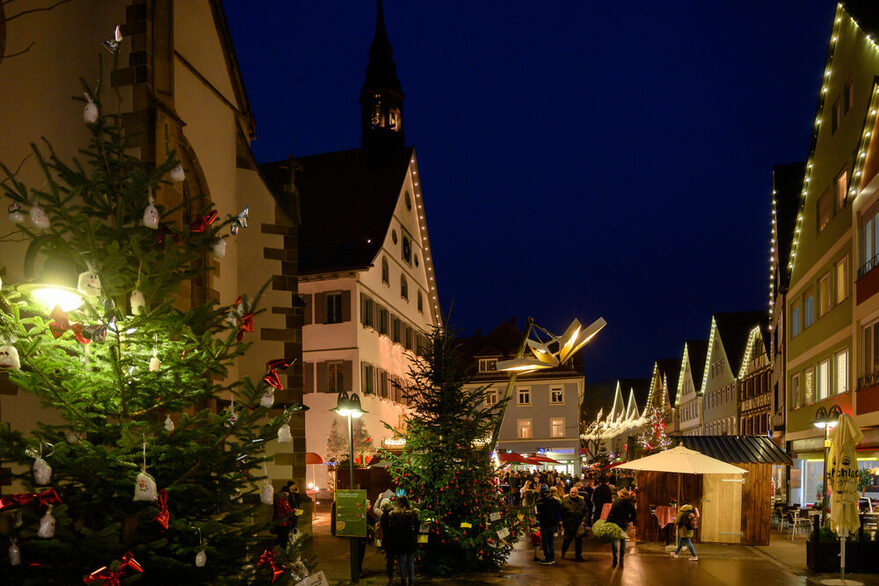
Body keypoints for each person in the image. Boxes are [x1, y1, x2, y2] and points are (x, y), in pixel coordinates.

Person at [385, 495, 419, 586]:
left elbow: (391, 528)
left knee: (401, 561)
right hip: (410, 539)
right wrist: (415, 535)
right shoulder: (413, 513)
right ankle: (411, 580)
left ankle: (403, 580)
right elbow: (416, 526)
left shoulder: (393, 514)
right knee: (411, 561)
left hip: (399, 540)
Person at [606, 488, 637, 568]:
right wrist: (628, 520)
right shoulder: (629, 503)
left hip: (615, 523)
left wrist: (607, 523)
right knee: (623, 541)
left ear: (621, 494)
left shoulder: (616, 502)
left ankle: (615, 558)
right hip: (623, 524)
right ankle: (622, 559)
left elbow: (611, 513)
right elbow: (634, 514)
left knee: (615, 541)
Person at [536, 484, 562, 565]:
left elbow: (538, 513)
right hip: (553, 524)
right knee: (551, 541)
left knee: (545, 542)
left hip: (544, 524)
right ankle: (551, 558)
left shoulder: (541, 500)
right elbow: (559, 509)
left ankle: (547, 558)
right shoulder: (554, 499)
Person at [560, 486, 587, 561]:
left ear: (577, 493)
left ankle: (578, 556)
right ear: (569, 492)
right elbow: (562, 511)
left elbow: (586, 512)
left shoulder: (582, 502)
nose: (573, 494)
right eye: (572, 492)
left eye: (574, 492)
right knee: (567, 540)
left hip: (578, 524)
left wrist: (584, 520)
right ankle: (563, 552)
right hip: (569, 524)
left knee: (579, 541)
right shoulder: (565, 501)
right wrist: (563, 521)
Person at [377, 498, 396, 583]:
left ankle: (390, 577)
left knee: (389, 560)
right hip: (395, 540)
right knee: (400, 558)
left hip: (387, 541)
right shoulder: (395, 515)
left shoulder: (383, 516)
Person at [272, 483, 294, 547]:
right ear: (286, 492)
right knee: (284, 537)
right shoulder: (283, 499)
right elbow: (286, 511)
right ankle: (283, 552)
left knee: (280, 536)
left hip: (279, 521)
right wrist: (294, 510)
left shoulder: (277, 498)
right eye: (288, 492)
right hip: (284, 522)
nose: (288, 494)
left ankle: (277, 551)